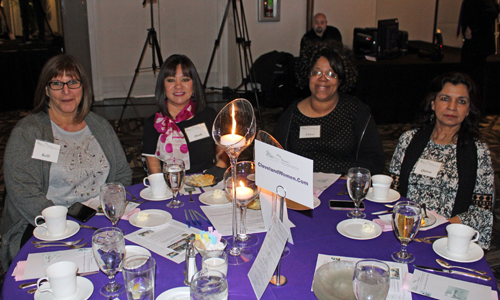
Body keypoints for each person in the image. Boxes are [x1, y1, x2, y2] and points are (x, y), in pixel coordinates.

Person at [1, 54, 132, 269]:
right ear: (46, 90)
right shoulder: (28, 132)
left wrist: (108, 209)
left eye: (73, 82)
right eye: (56, 83)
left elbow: (122, 175)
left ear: (83, 87)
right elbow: (22, 190)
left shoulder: (99, 126)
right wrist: (61, 222)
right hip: (48, 226)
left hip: (100, 219)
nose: (66, 91)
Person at [389, 72, 494, 249]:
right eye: (445, 98)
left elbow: (482, 211)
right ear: (433, 103)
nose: (452, 107)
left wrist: (440, 228)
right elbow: (393, 192)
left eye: (461, 101)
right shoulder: (408, 140)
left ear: (468, 110)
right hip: (405, 232)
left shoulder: (478, 151)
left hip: (448, 237)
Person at [274, 45, 385, 175]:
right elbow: (275, 158)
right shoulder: (292, 113)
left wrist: (347, 177)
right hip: (301, 186)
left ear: (340, 79)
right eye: (317, 72)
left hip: (343, 186)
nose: (323, 79)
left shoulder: (356, 110)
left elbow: (375, 160)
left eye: (331, 74)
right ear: (308, 75)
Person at [142, 54, 228, 179]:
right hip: (169, 188)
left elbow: (223, 158)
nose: (178, 86)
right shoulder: (155, 124)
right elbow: (155, 173)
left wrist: (210, 180)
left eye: (185, 79)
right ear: (163, 86)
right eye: (171, 80)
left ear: (194, 86)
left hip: (208, 183)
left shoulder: (209, 116)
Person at [458, 0, 499, 106]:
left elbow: (490, 11)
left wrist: (471, 27)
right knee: (472, 74)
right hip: (477, 39)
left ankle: (474, 106)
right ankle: (471, 105)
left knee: (474, 75)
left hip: (478, 41)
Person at [296, 13, 343, 92]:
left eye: (322, 22)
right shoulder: (307, 38)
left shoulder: (334, 34)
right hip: (314, 71)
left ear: (326, 23)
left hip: (332, 69)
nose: (319, 25)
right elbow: (304, 60)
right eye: (316, 22)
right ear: (313, 24)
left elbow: (339, 54)